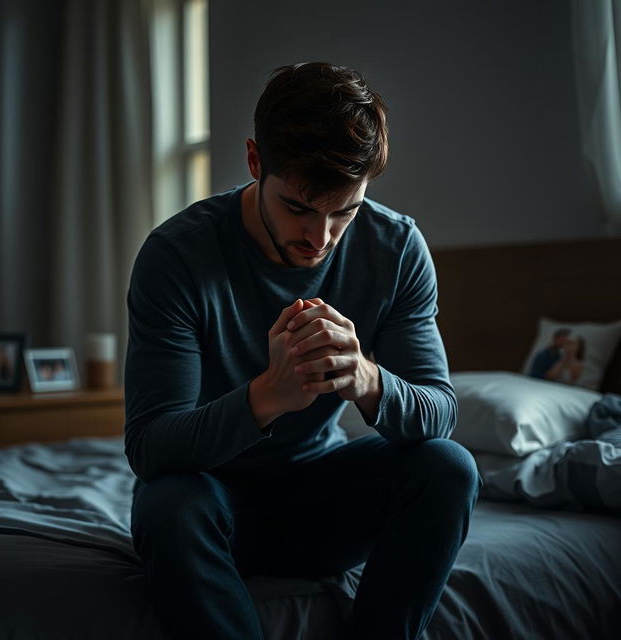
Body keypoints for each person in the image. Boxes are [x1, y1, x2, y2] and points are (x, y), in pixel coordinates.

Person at [124, 62, 481, 640]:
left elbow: (439, 412)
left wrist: (363, 376)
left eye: (345, 212)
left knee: (450, 469)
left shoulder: (396, 249)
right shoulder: (177, 258)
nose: (321, 239)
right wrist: (268, 396)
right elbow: (149, 446)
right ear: (255, 162)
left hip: (324, 506)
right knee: (167, 503)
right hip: (213, 506)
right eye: (298, 208)